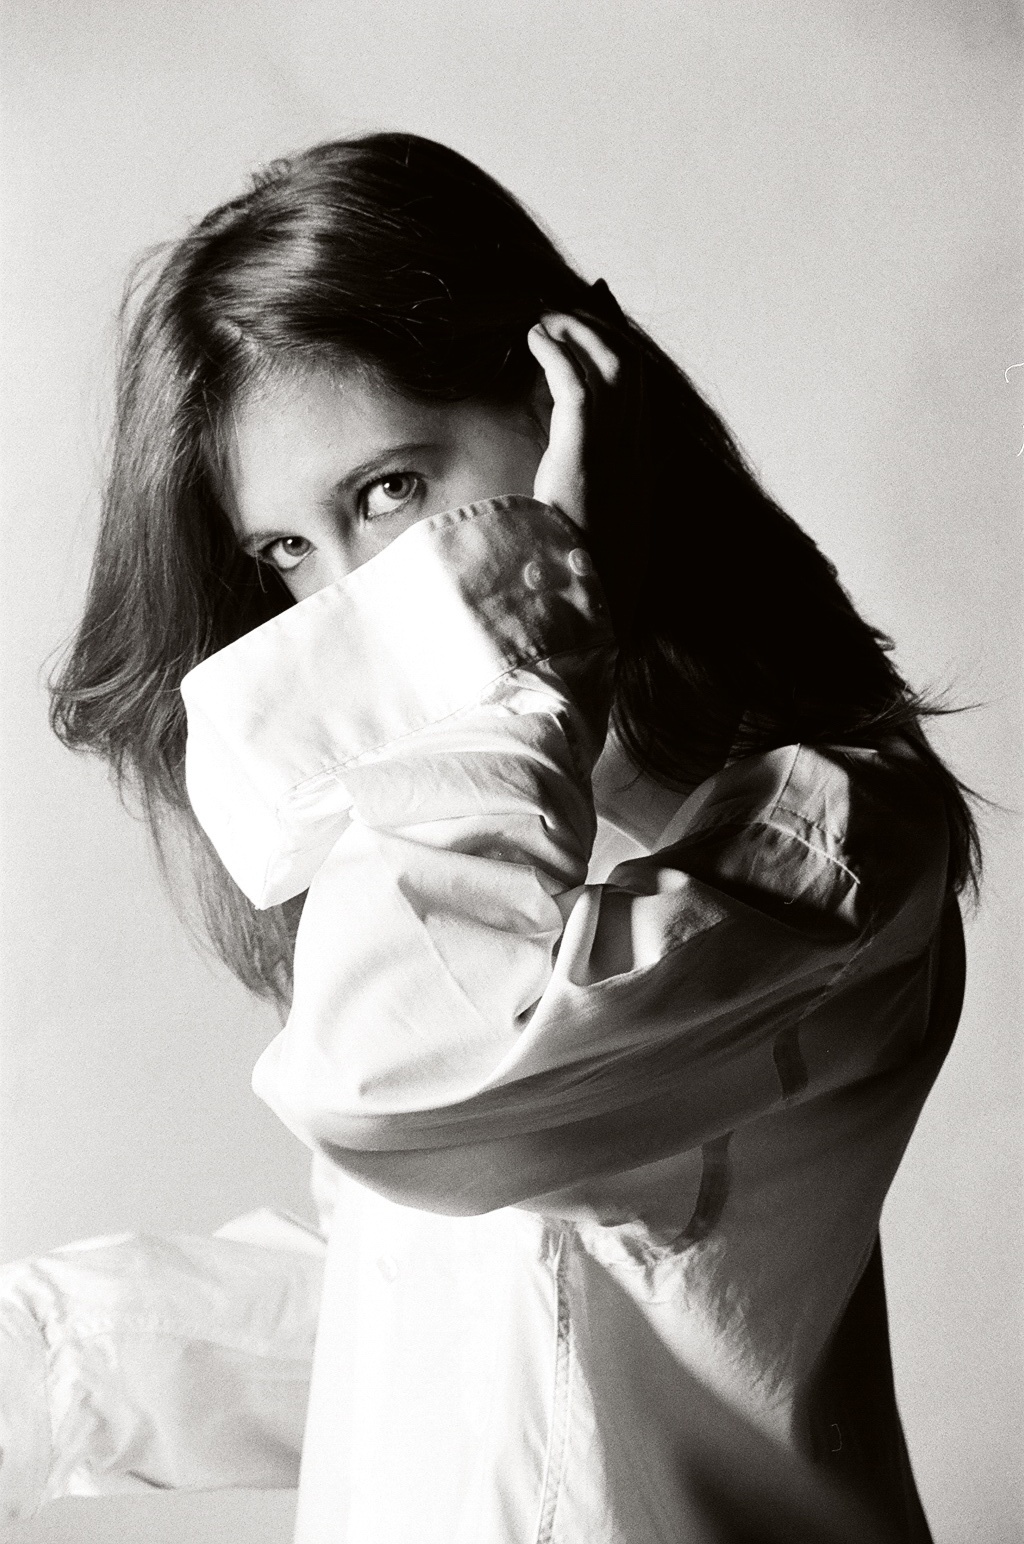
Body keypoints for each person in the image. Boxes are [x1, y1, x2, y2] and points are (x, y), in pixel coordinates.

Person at [1, 133, 976, 1542]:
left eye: (390, 490)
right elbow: (444, 1311)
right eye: (288, 552)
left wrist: (519, 631)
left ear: (570, 393)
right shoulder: (469, 809)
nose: (355, 594)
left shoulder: (832, 832)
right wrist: (40, 1360)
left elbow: (410, 1083)